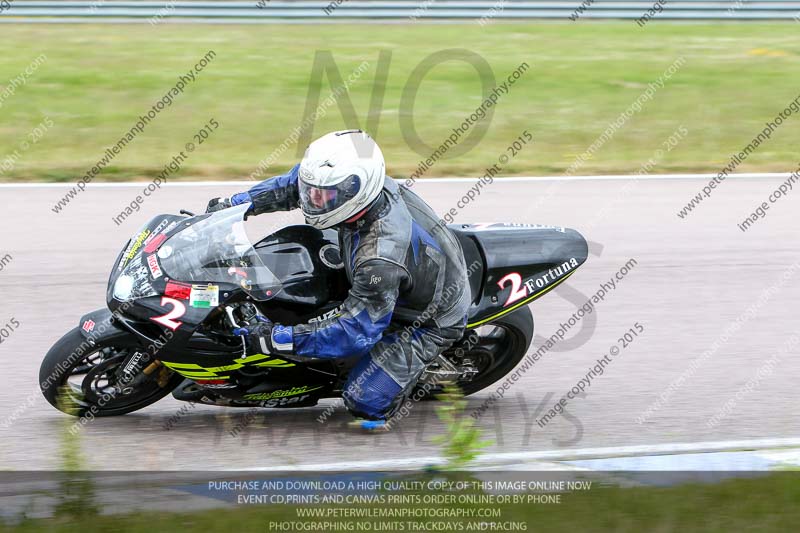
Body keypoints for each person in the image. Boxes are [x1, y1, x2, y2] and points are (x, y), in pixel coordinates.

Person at [207, 130, 470, 429]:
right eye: (313, 191)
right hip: (390, 265)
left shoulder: (378, 259)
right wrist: (236, 204)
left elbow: (355, 330)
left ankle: (389, 397)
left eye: (325, 196)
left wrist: (274, 339)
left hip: (428, 319)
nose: (313, 200)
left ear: (355, 192)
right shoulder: (352, 184)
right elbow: (295, 184)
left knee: (363, 398)